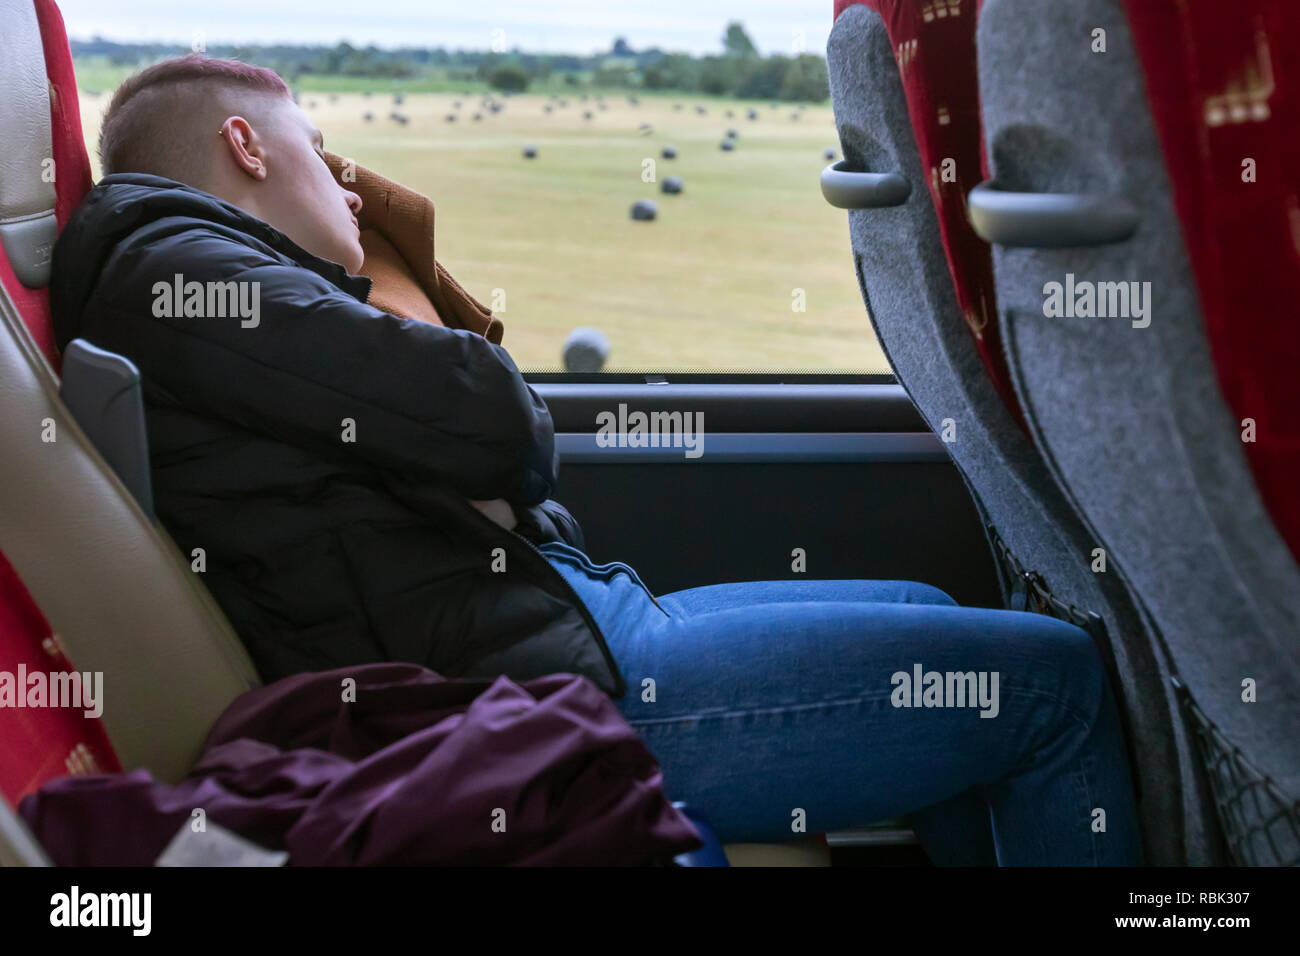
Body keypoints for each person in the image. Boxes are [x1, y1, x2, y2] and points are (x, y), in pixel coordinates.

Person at [51, 55, 1142, 865]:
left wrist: (360, 260)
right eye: (322, 154)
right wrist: (378, 263)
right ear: (247, 146)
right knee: (1057, 682)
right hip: (546, 688)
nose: (348, 188)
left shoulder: (191, 271)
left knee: (922, 602)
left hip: (558, 631)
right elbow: (501, 425)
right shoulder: (182, 273)